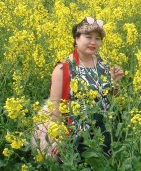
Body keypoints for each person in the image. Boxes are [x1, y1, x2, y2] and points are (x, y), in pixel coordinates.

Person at [46, 17, 124, 159]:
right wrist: (58, 137)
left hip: (105, 132)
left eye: (98, 38)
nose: (93, 42)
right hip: (77, 137)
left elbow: (111, 98)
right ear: (76, 38)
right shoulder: (63, 69)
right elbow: (54, 107)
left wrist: (115, 82)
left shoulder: (102, 63)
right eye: (88, 37)